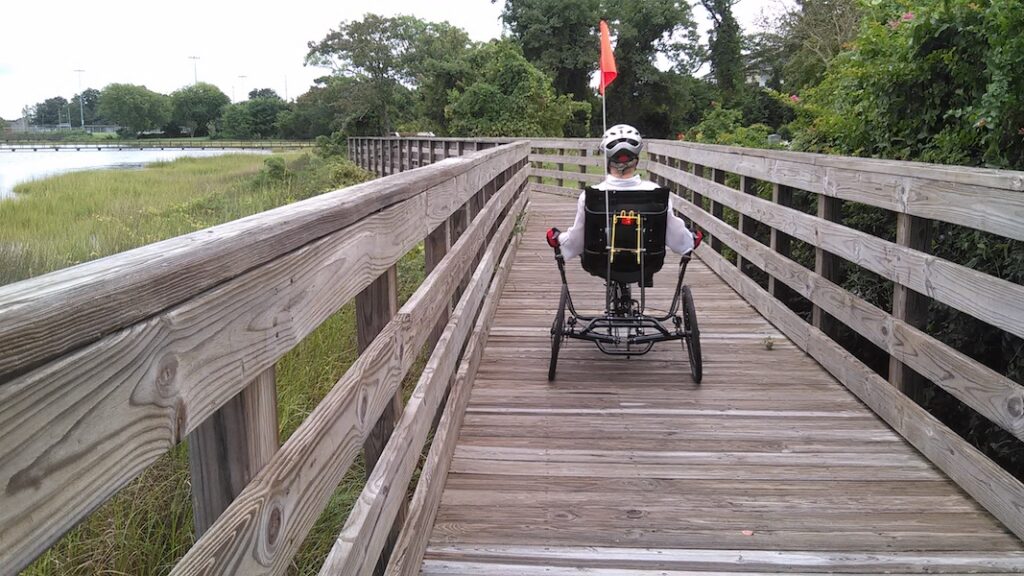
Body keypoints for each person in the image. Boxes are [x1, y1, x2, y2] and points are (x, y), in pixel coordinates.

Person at [546, 124, 702, 260]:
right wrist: (691, 239)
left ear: (608, 160)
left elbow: (576, 241)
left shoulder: (591, 195)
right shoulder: (655, 192)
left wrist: (558, 238)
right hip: (648, 263)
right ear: (637, 160)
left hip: (599, 262)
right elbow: (676, 237)